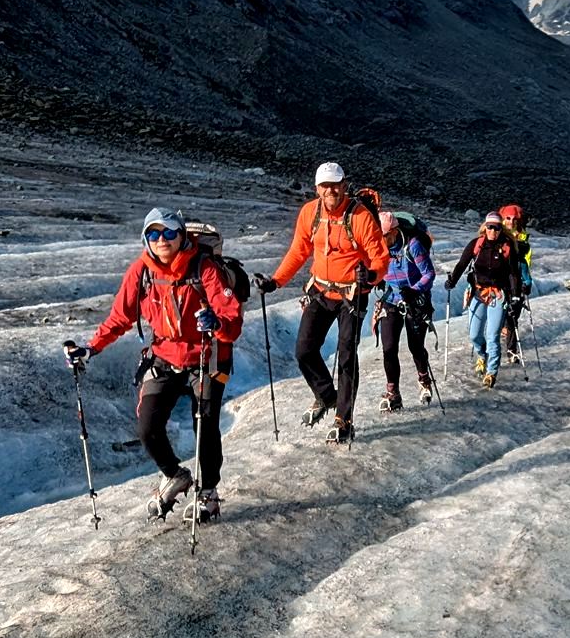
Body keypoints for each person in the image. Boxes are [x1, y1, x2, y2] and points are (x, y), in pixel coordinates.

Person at [65, 207, 243, 520]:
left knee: (205, 425)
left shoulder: (205, 267)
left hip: (208, 355)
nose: (162, 240)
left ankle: (208, 493)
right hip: (164, 356)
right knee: (147, 427)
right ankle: (174, 474)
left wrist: (216, 323)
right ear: (146, 238)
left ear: (181, 236)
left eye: (169, 233)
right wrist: (91, 348)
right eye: (154, 233)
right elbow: (120, 316)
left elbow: (232, 319)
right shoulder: (142, 271)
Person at [253, 161, 388, 444]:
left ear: (344, 185)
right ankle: (328, 396)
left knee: (347, 356)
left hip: (353, 293)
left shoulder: (360, 216)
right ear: (317, 188)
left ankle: (344, 420)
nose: (331, 190)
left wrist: (372, 275)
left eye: (336, 184)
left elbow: (380, 258)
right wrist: (276, 281)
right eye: (325, 185)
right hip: (321, 291)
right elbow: (298, 251)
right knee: (304, 350)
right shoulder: (309, 213)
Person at [445, 211, 525, 388]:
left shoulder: (506, 247)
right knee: (474, 335)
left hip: (498, 295)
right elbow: (462, 264)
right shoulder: (477, 244)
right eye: (490, 227)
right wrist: (452, 281)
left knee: (492, 335)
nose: (493, 231)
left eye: (496, 228)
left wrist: (515, 296)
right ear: (485, 227)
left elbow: (513, 274)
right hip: (478, 293)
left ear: (500, 229)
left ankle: (491, 372)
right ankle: (482, 355)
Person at [372, 210, 435, 409]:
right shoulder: (378, 248)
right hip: (391, 300)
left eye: (384, 236)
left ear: (395, 231)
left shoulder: (413, 245)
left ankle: (424, 380)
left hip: (415, 301)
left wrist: (414, 290)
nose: (381, 241)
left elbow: (429, 274)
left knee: (415, 347)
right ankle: (393, 393)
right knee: (389, 349)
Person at [497, 202, 534, 362]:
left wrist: (527, 281)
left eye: (514, 219)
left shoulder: (523, 241)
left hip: (517, 282)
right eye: (507, 218)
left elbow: (525, 262)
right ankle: (503, 347)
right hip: (499, 282)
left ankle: (510, 349)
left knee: (513, 316)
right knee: (502, 316)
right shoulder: (495, 235)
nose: (511, 222)